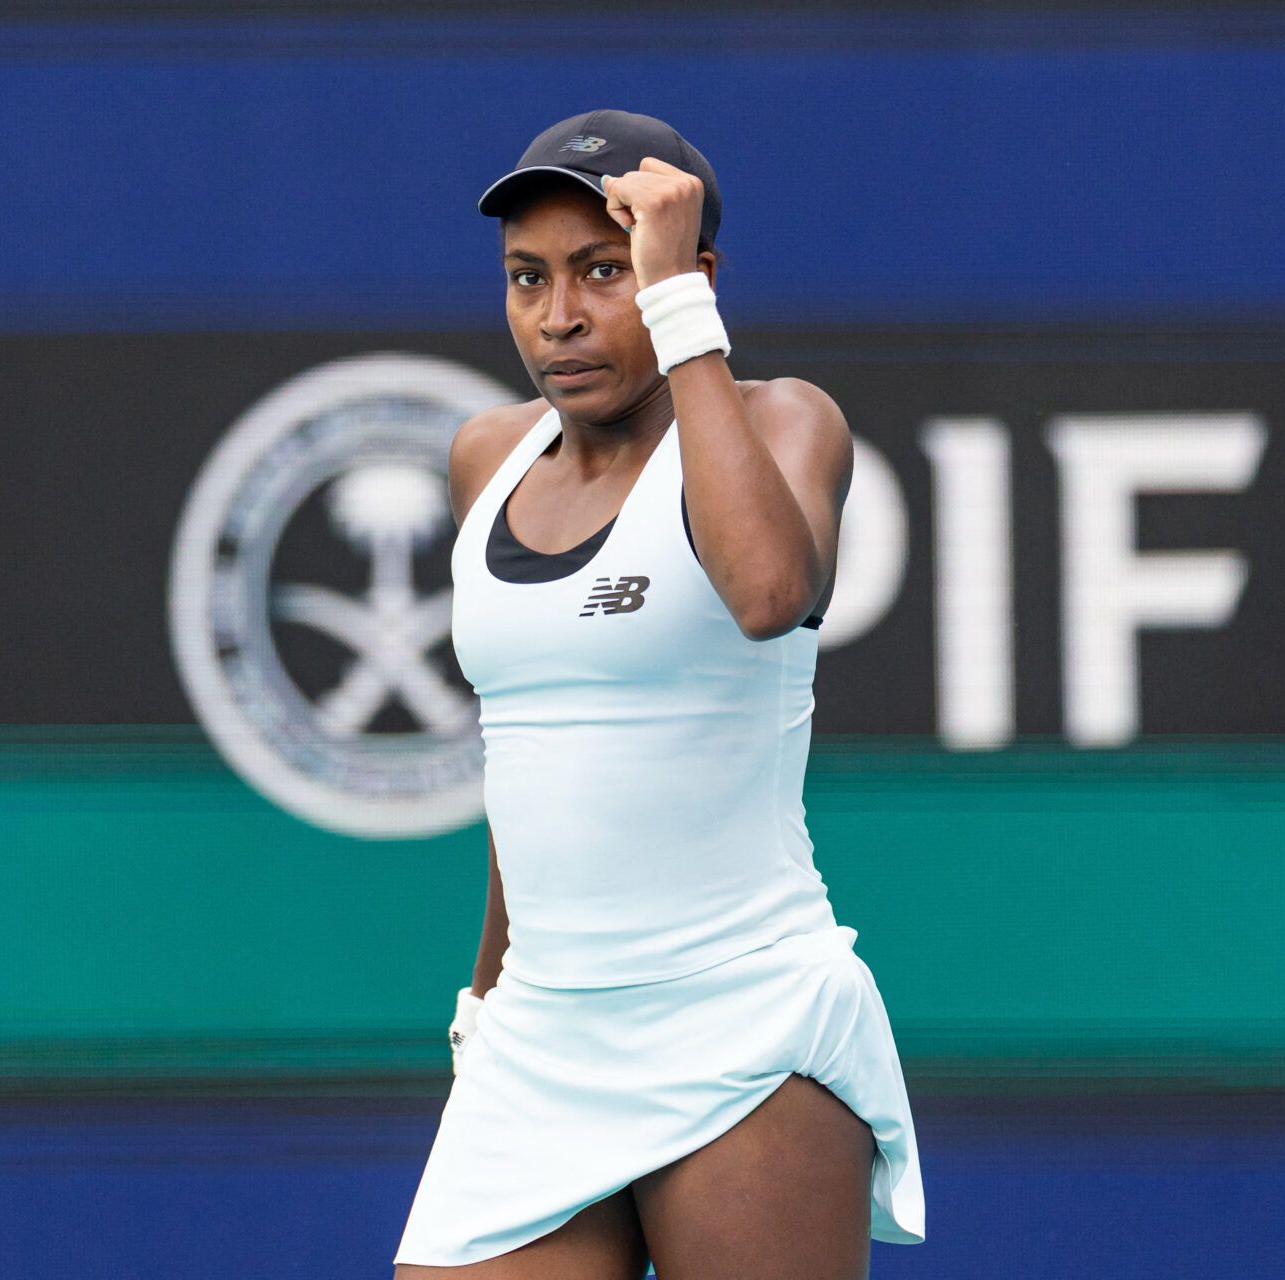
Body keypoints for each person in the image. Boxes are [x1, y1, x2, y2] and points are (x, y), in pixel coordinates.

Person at [393, 108, 926, 1279]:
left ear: (693, 277)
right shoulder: (486, 455)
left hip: (748, 1021)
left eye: (604, 270)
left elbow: (768, 590)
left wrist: (681, 313)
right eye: (526, 277)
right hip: (540, 1038)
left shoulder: (787, 419)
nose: (559, 315)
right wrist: (485, 1003)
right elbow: (526, 763)